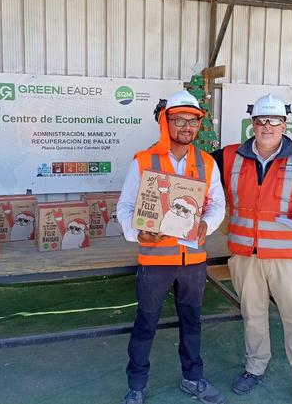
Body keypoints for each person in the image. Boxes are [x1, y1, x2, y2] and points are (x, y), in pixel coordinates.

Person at [211, 94, 292, 404]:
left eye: (273, 120)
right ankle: (255, 368)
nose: (267, 126)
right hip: (244, 255)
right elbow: (195, 174)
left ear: (284, 125)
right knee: (252, 315)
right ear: (252, 124)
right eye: (261, 120)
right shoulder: (227, 156)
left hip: (286, 257)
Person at [117, 89, 227, 404]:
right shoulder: (144, 161)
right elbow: (125, 206)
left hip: (193, 261)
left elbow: (217, 204)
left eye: (192, 121)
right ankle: (136, 386)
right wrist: (138, 234)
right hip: (155, 261)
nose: (186, 127)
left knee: (192, 322)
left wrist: (207, 224)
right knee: (145, 323)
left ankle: (193, 378)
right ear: (166, 122)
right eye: (179, 120)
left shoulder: (207, 163)